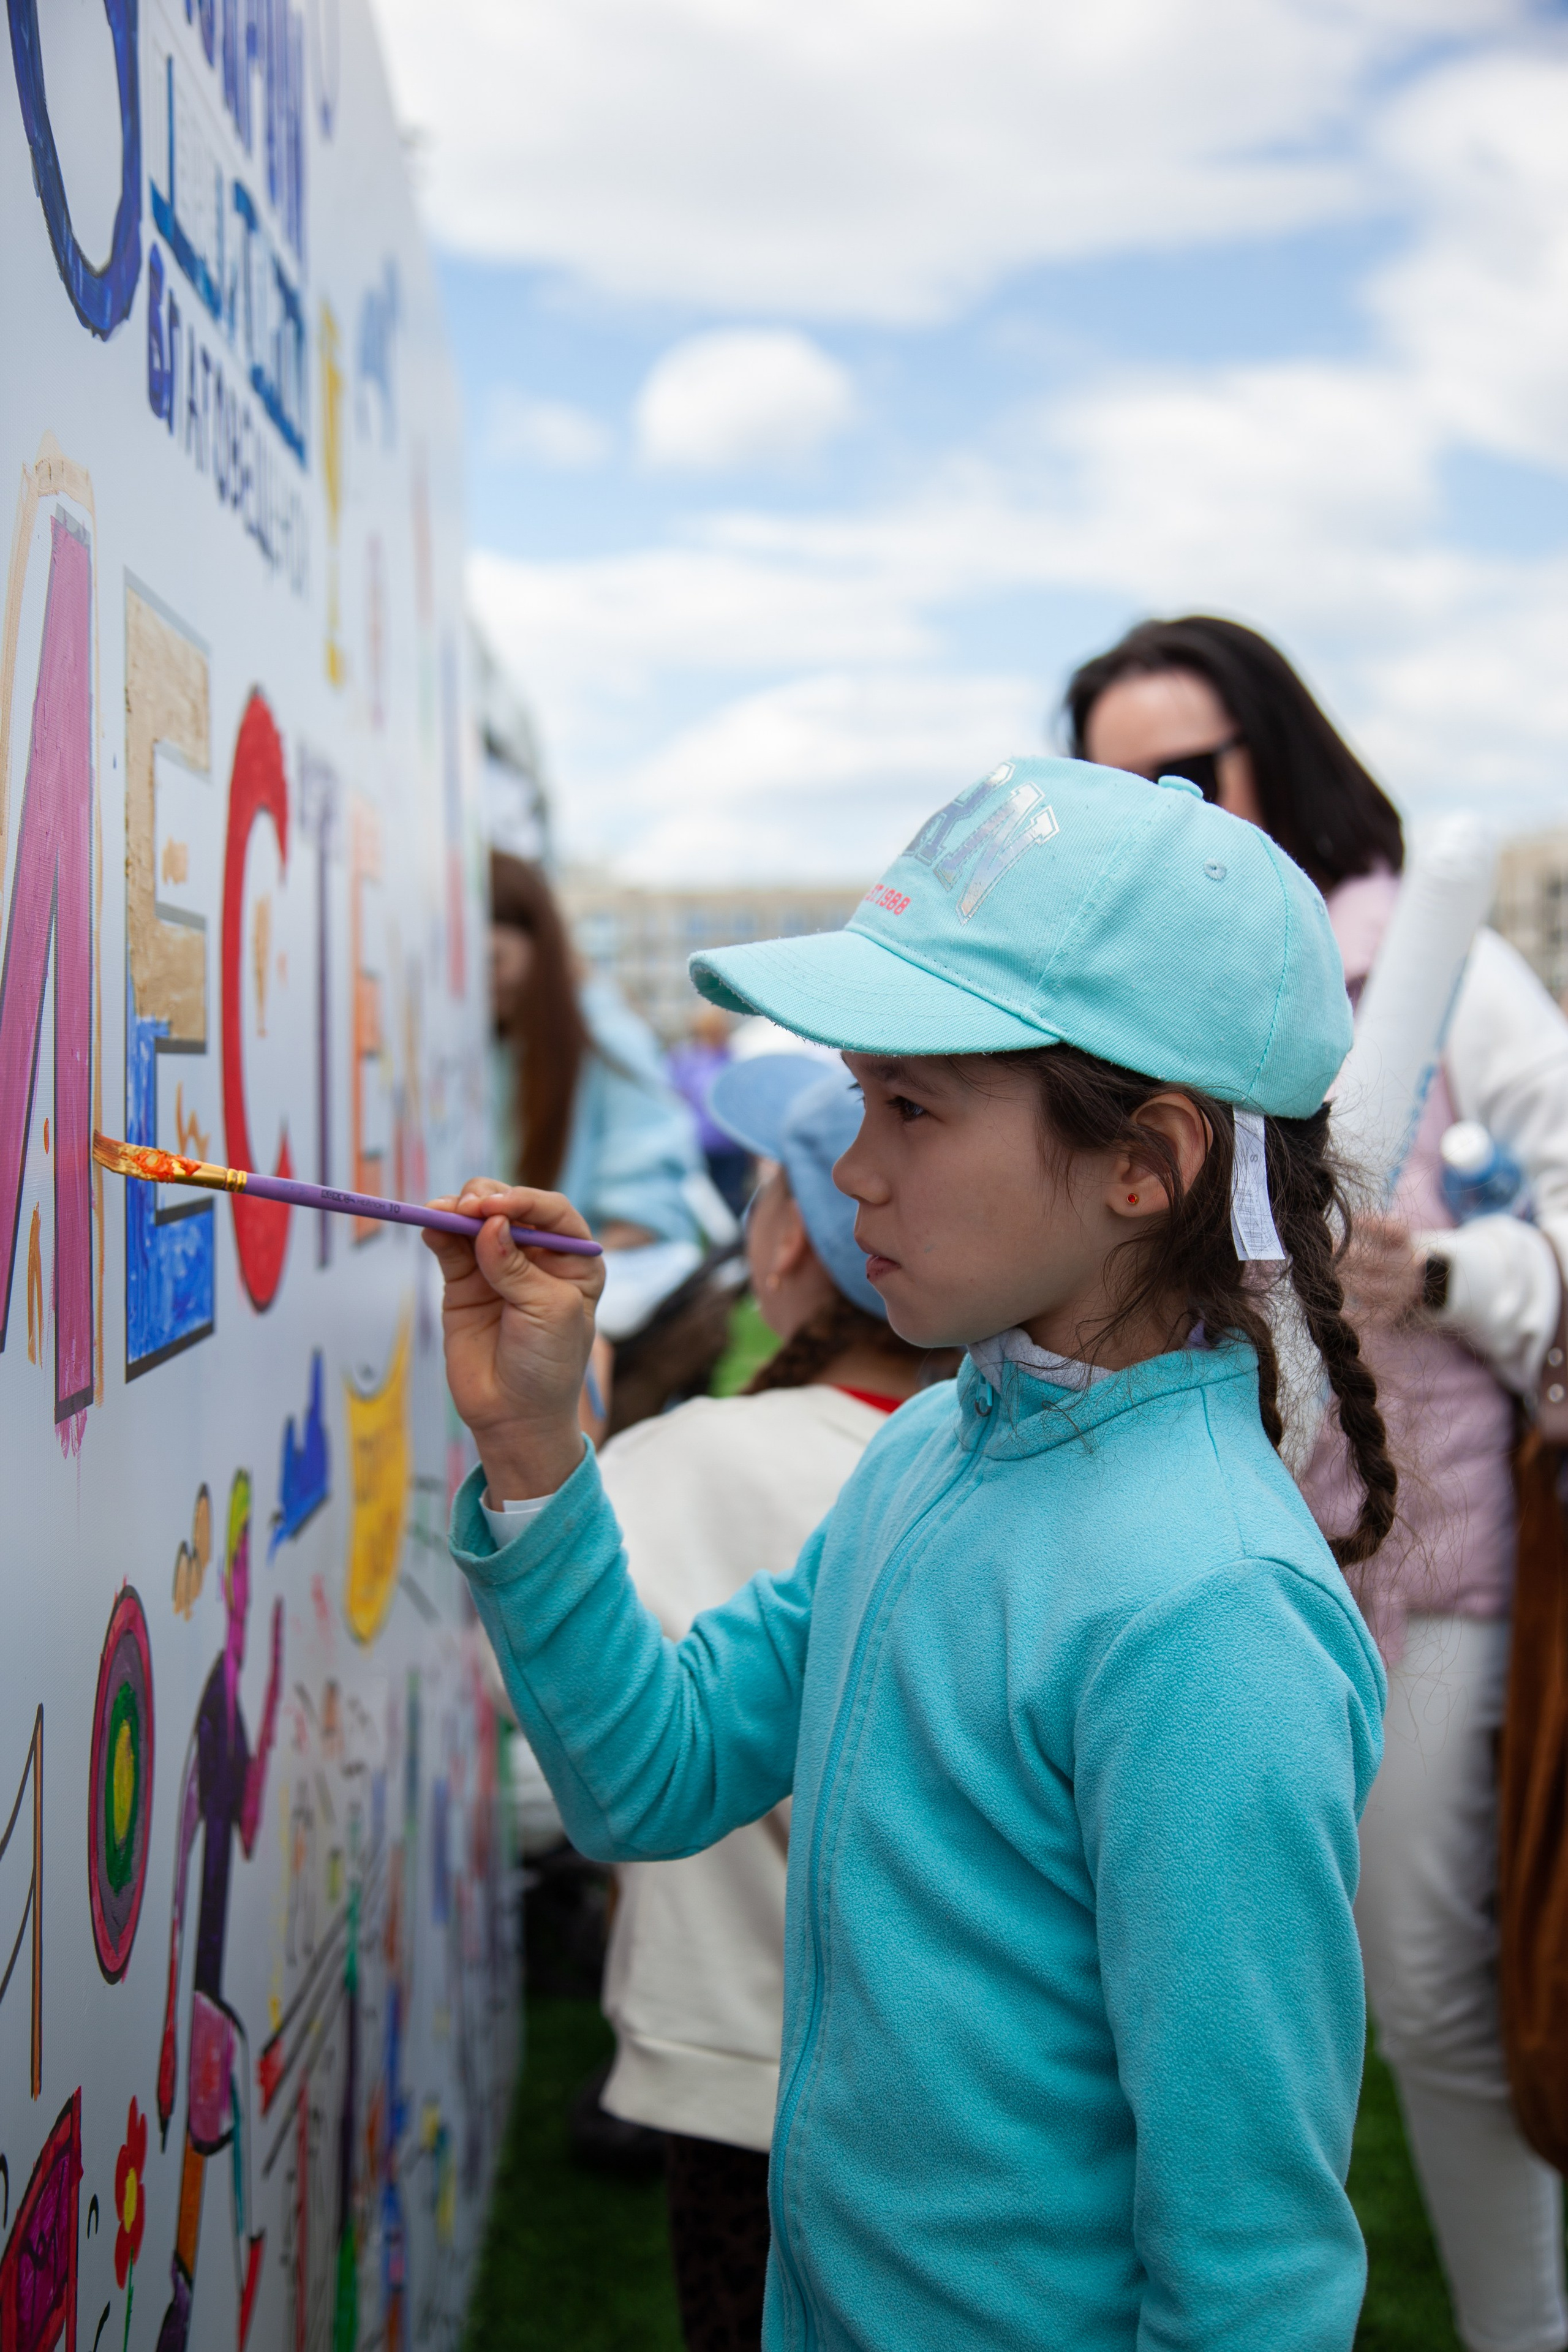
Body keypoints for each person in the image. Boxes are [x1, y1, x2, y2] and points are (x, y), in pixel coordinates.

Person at [428, 756, 1396, 2352]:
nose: (851, 1164)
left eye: (911, 1107)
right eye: (858, 1095)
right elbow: (649, 1779)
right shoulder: (925, 1451)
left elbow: (1255, 2273)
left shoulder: (1213, 1615)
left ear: (1146, 1164)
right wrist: (536, 1448)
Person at [1069, 613, 1568, 2352]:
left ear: (1274, 754)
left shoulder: (1439, 969)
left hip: (1428, 1554)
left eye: (1189, 774)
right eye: (1110, 789)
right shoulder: (1118, 1011)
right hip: (1182, 1566)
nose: (1165, 815)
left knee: (1428, 1987)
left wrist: (1433, 1272)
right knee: (1195, 1998)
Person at [597, 1054, 942, 2352]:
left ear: (787, 1233)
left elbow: (588, 1739)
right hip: (964, 2103)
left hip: (740, 2084)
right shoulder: (997, 1474)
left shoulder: (680, 1462)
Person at [489, 851, 703, 1250]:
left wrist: (559, 1285)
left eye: (494, 960)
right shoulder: (500, 1042)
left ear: (540, 946)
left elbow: (647, 1212)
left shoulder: (605, 1033)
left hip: (596, 1294)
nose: (483, 980)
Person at [666, 1004, 752, 1216]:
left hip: (731, 1147)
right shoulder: (685, 1059)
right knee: (703, 1203)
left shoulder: (733, 1058)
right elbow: (672, 1096)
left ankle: (729, 1245)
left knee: (730, 1199)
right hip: (698, 1146)